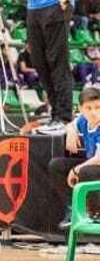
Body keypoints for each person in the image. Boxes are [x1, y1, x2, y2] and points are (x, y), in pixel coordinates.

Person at [50, 88, 100, 228]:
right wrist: (71, 131)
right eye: (88, 108)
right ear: (81, 109)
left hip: (97, 164)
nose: (94, 112)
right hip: (93, 165)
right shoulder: (83, 121)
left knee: (86, 171)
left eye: (97, 107)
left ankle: (95, 214)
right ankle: (73, 210)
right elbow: (70, 124)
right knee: (57, 165)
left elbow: (98, 158)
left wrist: (76, 170)